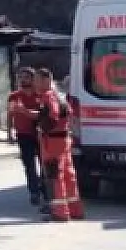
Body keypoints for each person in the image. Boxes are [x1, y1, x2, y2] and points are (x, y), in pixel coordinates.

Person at [34, 70, 84, 221]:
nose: (34, 84)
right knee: (69, 175)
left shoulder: (48, 96)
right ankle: (75, 209)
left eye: (37, 80)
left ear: (45, 80)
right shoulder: (60, 94)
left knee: (54, 175)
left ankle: (59, 212)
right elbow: (69, 113)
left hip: (52, 140)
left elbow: (53, 116)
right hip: (64, 139)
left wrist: (42, 127)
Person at [8, 67, 46, 205]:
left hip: (40, 133)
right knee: (29, 164)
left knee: (44, 163)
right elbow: (11, 113)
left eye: (26, 77)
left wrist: (26, 111)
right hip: (23, 134)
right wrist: (9, 132)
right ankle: (34, 191)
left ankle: (45, 189)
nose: (23, 80)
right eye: (21, 77)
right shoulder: (14, 96)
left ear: (32, 79)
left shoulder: (41, 94)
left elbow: (44, 113)